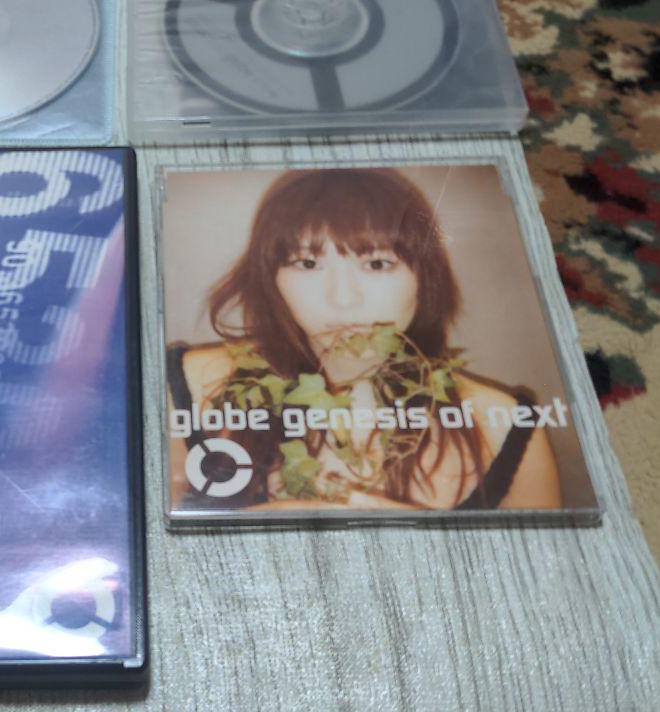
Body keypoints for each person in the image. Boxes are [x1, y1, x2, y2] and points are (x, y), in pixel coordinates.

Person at [167, 168, 562, 512]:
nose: (343, 298)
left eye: (376, 263)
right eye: (307, 263)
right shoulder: (191, 385)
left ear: (425, 279)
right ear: (271, 280)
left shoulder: (506, 425)